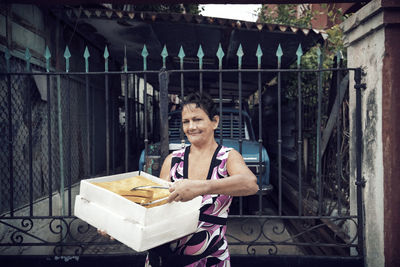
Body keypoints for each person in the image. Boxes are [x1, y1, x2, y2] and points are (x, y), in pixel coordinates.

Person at [145, 92, 259, 267]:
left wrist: (200, 187)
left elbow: (250, 184)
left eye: (197, 119)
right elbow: (156, 207)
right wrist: (121, 227)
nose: (191, 127)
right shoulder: (172, 160)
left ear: (214, 121)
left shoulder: (227, 157)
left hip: (210, 257)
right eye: (186, 121)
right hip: (166, 255)